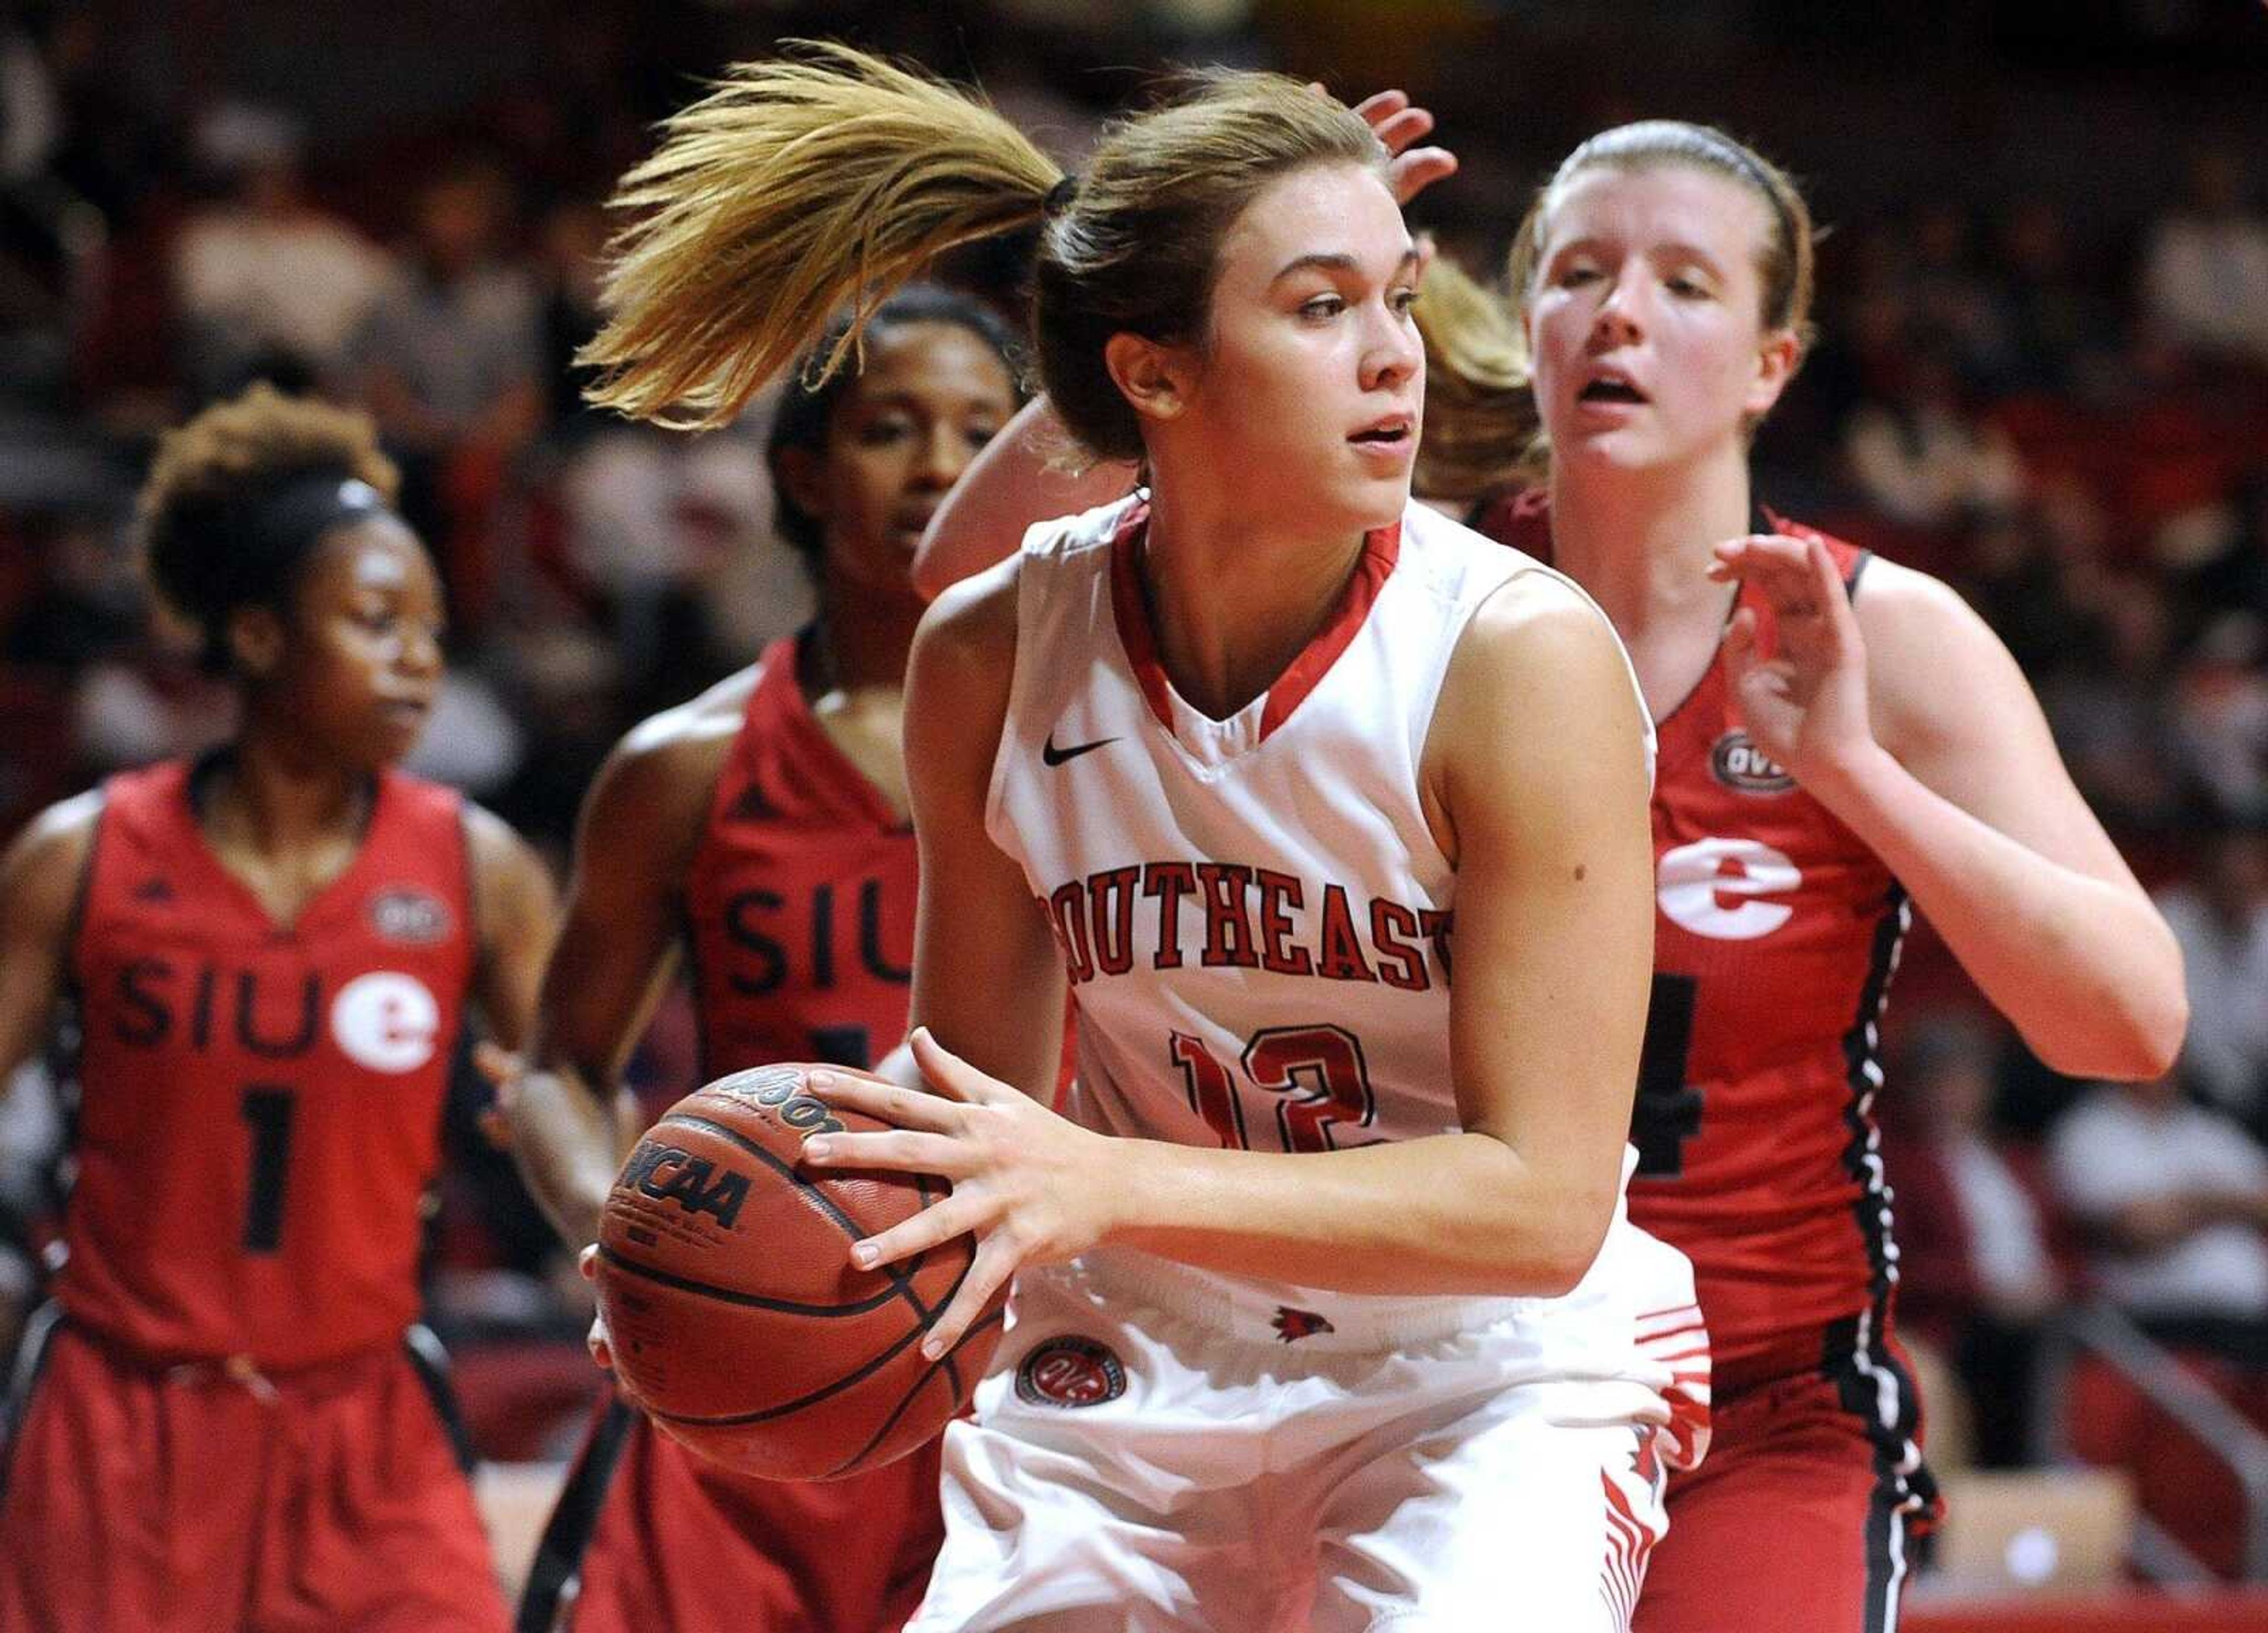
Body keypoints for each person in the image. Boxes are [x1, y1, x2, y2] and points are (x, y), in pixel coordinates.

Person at [918, 114, 2189, 1632]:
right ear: (1516, 327)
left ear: (1777, 362)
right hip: (1278, 1298)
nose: (1620, 315)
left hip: (1695, 1345)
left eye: (1685, 283)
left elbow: (2130, 1022)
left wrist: (1850, 770)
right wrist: (1198, 238)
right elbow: (993, 594)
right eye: (1578, 272)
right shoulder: (1400, 581)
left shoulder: (1872, 634)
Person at [576, 46, 1707, 1632]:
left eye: (1400, 297)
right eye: (1323, 309)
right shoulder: (990, 656)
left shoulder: (1516, 658)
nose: (1398, 360)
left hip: (1486, 1364)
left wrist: (1092, 1178)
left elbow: (1538, 1203)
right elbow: (969, 1098)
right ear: (1155, 376)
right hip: (1133, 1347)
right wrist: (730, 1242)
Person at [494, 283, 1027, 1633]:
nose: (938, 467)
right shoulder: (686, 767)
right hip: (755, 1362)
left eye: (980, 429)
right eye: (890, 429)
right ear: (803, 473)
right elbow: (557, 1068)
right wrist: (627, 1245)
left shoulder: (1099, 756)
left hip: (1028, 1380)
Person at [0, 383, 556, 1631]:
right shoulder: (81, 857)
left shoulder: (479, 869)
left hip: (366, 1425)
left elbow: (570, 1098)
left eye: (431, 627)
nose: (419, 657)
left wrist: (618, 1219)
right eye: (375, 621)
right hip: (120, 1419)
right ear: (255, 637)